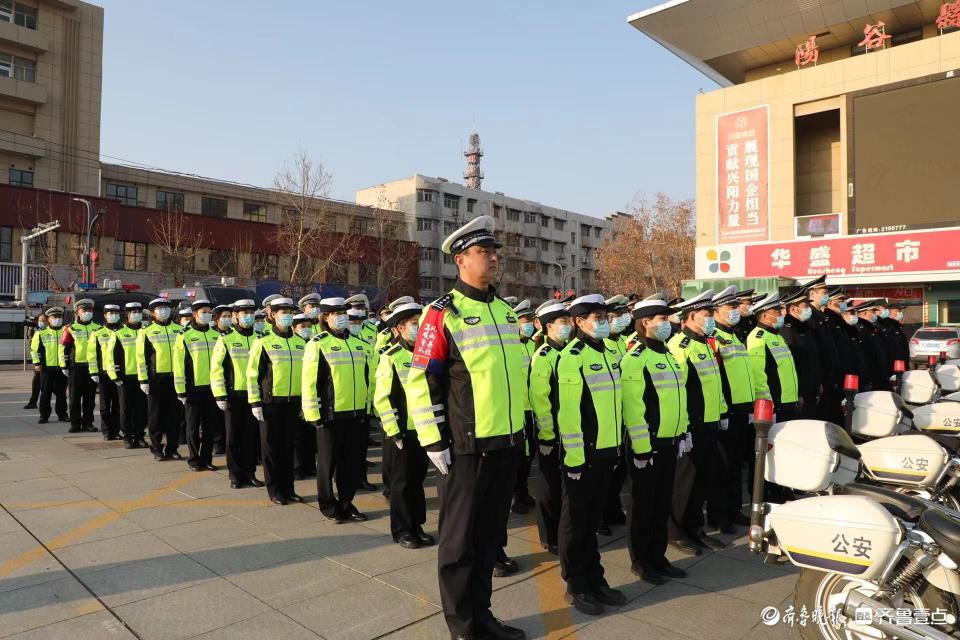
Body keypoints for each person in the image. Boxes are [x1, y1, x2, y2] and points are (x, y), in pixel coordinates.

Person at [406, 215, 526, 640]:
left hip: (506, 443)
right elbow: (421, 380)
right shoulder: (441, 315)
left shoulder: (505, 311)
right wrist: (433, 439)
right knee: (458, 546)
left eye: (495, 252)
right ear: (460, 259)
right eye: (483, 252)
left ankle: (484, 617)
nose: (493, 258)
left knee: (490, 539)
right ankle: (463, 627)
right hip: (465, 448)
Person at [552, 294, 626, 616]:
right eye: (597, 318)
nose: (604, 322)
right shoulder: (572, 356)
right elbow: (567, 413)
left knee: (592, 521)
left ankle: (596, 578)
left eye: (604, 317)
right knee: (575, 522)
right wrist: (575, 457)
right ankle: (576, 584)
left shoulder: (609, 354)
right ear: (579, 322)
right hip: (583, 455)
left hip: (607, 451)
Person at [621, 297, 689, 585]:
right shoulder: (636, 359)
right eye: (662, 319)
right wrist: (641, 447)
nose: (667, 324)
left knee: (662, 503)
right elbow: (634, 408)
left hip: (669, 440)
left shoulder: (669, 355)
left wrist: (683, 432)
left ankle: (658, 556)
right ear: (646, 322)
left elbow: (678, 399)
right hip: (647, 444)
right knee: (643, 505)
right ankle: (641, 560)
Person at [667, 290, 728, 554]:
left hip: (709, 424)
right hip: (691, 427)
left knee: (702, 480)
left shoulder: (705, 343)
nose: (712, 319)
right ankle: (676, 531)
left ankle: (696, 529)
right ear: (692, 316)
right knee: (684, 483)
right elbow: (676, 392)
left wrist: (722, 413)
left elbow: (715, 386)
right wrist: (683, 428)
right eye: (708, 314)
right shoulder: (680, 347)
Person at [302, 297, 371, 523]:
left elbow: (367, 379)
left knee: (350, 464)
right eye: (336, 313)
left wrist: (367, 408)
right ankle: (328, 505)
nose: (341, 317)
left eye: (343, 312)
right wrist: (314, 414)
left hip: (356, 413)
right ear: (325, 317)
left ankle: (346, 502)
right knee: (327, 463)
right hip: (330, 416)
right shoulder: (318, 343)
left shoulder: (358, 343)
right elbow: (310, 382)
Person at [374, 301, 434, 549]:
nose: (418, 328)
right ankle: (401, 530)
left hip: (424, 429)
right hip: (401, 432)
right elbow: (382, 398)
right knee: (400, 484)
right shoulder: (391, 357)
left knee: (417, 481)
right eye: (413, 324)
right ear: (399, 328)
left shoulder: (425, 355)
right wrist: (394, 432)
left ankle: (416, 524)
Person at [247, 297, 308, 505]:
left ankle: (288, 488)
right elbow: (253, 374)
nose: (287, 315)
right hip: (270, 403)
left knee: (288, 447)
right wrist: (255, 402)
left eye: (290, 312)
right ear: (272, 315)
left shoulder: (301, 342)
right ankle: (275, 490)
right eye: (283, 312)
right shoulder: (262, 342)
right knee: (271, 448)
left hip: (293, 403)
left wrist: (304, 403)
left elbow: (306, 376)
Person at [706, 287, 755, 533]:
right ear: (716, 311)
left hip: (741, 408)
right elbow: (717, 379)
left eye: (737, 307)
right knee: (721, 466)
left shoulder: (734, 335)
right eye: (731, 308)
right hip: (725, 409)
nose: (736, 312)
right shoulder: (712, 337)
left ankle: (734, 509)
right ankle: (719, 515)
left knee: (735, 464)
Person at [528, 300, 573, 556]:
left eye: (568, 322)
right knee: (548, 485)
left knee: (563, 484)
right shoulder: (543, 356)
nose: (567, 327)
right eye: (562, 323)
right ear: (548, 327)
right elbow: (540, 399)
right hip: (551, 432)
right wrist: (546, 434)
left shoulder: (566, 352)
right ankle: (548, 534)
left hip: (568, 429)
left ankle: (561, 530)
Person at [211, 299, 263, 489]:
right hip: (234, 395)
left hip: (254, 396)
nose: (248, 316)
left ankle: (250, 473)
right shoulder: (226, 339)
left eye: (251, 312)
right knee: (233, 438)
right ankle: (235, 475)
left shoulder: (260, 337)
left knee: (251, 437)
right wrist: (220, 395)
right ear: (236, 316)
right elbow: (216, 368)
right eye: (244, 313)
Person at [173, 299, 220, 472]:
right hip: (192, 389)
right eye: (204, 312)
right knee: (192, 427)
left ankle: (207, 459)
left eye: (209, 312)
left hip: (212, 388)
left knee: (209, 426)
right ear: (194, 314)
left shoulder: (216, 335)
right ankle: (194, 459)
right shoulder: (184, 335)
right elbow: (179, 365)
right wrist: (181, 390)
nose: (207, 315)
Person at [599, 294, 631, 535]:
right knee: (605, 472)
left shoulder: (620, 342)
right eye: (616, 316)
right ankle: (601, 515)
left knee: (618, 468)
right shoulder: (603, 346)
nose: (621, 320)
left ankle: (612, 508)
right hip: (605, 415)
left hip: (621, 411)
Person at [137, 298, 183, 461]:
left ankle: (173, 448)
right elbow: (141, 358)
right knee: (155, 416)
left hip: (175, 378)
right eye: (160, 308)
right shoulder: (146, 331)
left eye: (166, 308)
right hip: (156, 380)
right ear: (152, 312)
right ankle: (157, 448)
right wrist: (143, 380)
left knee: (174, 416)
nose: (164, 311)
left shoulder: (179, 330)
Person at [747, 293, 800, 420]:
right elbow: (758, 374)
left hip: (788, 401)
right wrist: (767, 404)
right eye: (777, 312)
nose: (782, 314)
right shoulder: (758, 337)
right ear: (764, 315)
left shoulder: (777, 336)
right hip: (775, 404)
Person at [103, 303, 146, 449]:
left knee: (141, 409)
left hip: (142, 377)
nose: (137, 314)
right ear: (127, 314)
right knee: (125, 409)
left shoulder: (146, 331)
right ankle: (127, 436)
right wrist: (115, 375)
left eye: (139, 312)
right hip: (125, 378)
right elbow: (111, 355)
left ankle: (140, 435)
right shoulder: (119, 333)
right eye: (133, 312)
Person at [348, 305, 378, 492]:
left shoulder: (366, 346)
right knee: (345, 450)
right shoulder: (340, 344)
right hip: (345, 403)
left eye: (359, 322)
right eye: (353, 322)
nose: (356, 325)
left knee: (360, 446)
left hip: (364, 402)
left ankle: (361, 478)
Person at [779, 289, 822, 420]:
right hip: (799, 391)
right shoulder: (787, 330)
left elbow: (813, 359)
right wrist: (798, 394)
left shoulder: (806, 328)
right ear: (793, 308)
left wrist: (817, 383)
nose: (808, 308)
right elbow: (792, 367)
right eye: (805, 306)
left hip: (811, 388)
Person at [59, 298, 100, 433]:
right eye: (85, 310)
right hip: (76, 367)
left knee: (90, 398)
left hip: (92, 367)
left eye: (90, 310)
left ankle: (88, 423)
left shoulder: (98, 328)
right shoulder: (70, 328)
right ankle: (75, 423)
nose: (88, 312)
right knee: (75, 398)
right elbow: (63, 347)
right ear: (77, 312)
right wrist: (63, 365)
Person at [512, 299, 537, 516]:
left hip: (532, 409)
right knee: (518, 456)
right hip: (516, 410)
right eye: (524, 321)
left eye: (530, 321)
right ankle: (514, 496)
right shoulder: (510, 346)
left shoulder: (532, 345)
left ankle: (523, 490)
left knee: (530, 455)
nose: (528, 325)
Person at [88, 304, 122, 440]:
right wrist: (94, 372)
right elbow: (92, 355)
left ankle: (116, 430)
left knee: (118, 404)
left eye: (116, 313)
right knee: (105, 405)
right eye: (110, 313)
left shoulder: (122, 331)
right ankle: (107, 431)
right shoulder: (97, 333)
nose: (113, 315)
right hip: (104, 373)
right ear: (105, 315)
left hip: (119, 373)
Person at [33, 306, 68, 424]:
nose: (57, 319)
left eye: (59, 317)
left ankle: (62, 414)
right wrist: (37, 363)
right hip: (46, 368)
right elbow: (35, 350)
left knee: (61, 393)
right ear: (48, 319)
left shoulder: (66, 332)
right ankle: (44, 415)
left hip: (62, 368)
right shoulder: (41, 333)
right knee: (45, 393)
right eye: (54, 317)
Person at [854, 299, 891, 391]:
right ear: (865, 313)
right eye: (873, 312)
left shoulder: (871, 328)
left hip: (878, 375)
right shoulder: (860, 329)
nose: (875, 314)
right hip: (870, 376)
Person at [24, 313, 44, 410]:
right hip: (38, 361)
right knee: (36, 383)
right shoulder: (34, 329)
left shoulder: (46, 330)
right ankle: (33, 402)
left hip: (49, 362)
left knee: (54, 388)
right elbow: (31, 343)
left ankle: (63, 407)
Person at [880, 302, 910, 368]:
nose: (899, 313)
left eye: (900, 311)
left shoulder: (897, 326)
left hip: (901, 364)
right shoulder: (886, 326)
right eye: (896, 311)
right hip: (893, 365)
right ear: (888, 312)